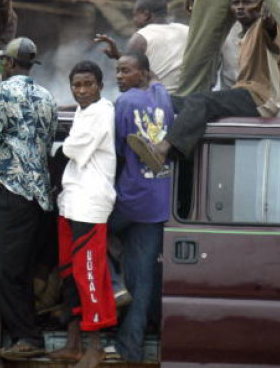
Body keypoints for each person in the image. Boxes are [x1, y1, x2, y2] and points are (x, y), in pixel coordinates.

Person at [129, 0, 280, 173]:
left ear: (260, 6)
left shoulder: (263, 28)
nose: (240, 7)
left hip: (261, 98)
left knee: (200, 100)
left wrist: (268, 21)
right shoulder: (243, 34)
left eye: (246, 3)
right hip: (244, 94)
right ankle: (155, 139)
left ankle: (163, 149)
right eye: (236, 3)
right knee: (175, 102)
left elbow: (272, 34)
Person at [0, 37, 58, 360]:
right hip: (41, 195)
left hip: (14, 190)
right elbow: (49, 139)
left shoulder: (3, 92)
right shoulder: (47, 95)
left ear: (9, 64)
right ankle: (26, 333)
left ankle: (28, 336)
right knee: (18, 269)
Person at [48, 61, 116, 368]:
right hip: (71, 201)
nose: (82, 90)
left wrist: (52, 147)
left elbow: (72, 150)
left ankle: (95, 347)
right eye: (77, 85)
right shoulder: (83, 110)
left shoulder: (103, 111)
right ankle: (73, 344)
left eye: (88, 84)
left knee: (88, 276)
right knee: (68, 273)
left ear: (100, 85)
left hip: (90, 204)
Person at [107, 51, 174, 363]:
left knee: (87, 232)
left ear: (141, 73)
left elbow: (117, 151)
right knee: (144, 279)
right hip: (158, 203)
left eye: (125, 71)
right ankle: (130, 349)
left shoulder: (124, 103)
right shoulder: (162, 96)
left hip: (130, 198)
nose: (119, 76)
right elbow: (158, 80)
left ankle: (115, 282)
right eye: (117, 71)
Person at [94, 0, 188, 94]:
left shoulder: (141, 37)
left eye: (135, 15)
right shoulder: (186, 30)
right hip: (187, 97)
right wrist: (118, 55)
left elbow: (130, 75)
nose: (133, 21)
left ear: (146, 15)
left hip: (157, 101)